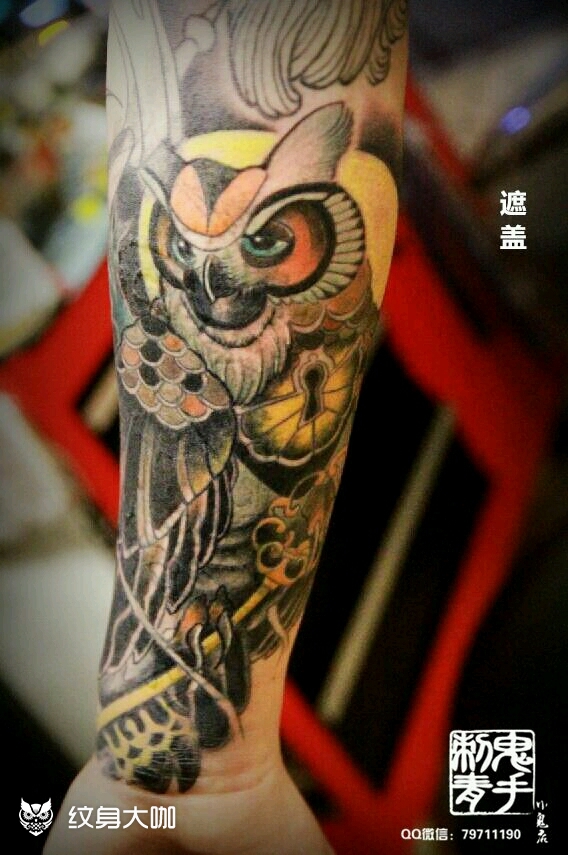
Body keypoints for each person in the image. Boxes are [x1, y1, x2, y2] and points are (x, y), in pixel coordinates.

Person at [44, 2, 408, 853]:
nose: (213, 290)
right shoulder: (186, 376)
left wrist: (204, 776)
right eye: (185, 256)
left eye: (268, 240)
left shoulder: (302, 326)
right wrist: (189, 773)